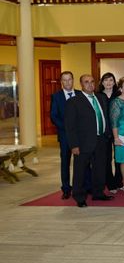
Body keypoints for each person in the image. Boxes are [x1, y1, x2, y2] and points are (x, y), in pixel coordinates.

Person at [64, 74, 113, 207]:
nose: (90, 84)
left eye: (92, 81)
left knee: (100, 168)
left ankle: (98, 193)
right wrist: (74, 145)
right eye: (86, 82)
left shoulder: (101, 97)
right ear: (81, 84)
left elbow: (105, 117)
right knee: (80, 170)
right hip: (83, 143)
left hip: (101, 140)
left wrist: (107, 134)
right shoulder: (73, 102)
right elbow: (70, 126)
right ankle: (79, 197)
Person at [50, 71, 79, 199]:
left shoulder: (80, 94)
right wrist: (67, 128)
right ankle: (66, 189)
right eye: (64, 80)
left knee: (82, 162)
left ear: (73, 80)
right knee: (65, 162)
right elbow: (54, 116)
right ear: (61, 82)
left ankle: (82, 186)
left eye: (69, 79)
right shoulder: (56, 96)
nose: (67, 82)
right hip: (65, 135)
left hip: (80, 136)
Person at [97, 72, 124, 193]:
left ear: (114, 82)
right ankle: (110, 183)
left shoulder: (119, 95)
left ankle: (119, 182)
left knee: (119, 157)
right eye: (106, 80)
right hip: (104, 131)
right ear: (102, 82)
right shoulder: (97, 96)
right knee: (106, 158)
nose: (108, 83)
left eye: (111, 80)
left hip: (118, 130)